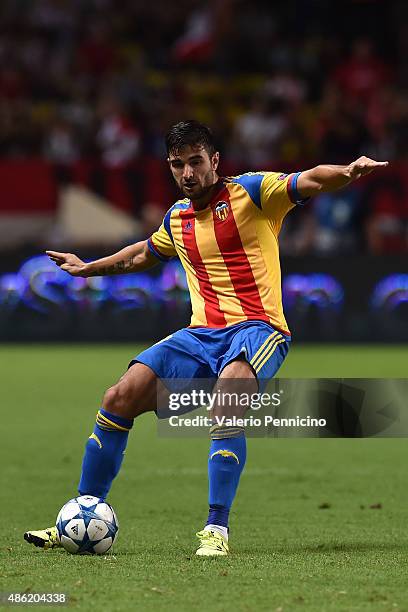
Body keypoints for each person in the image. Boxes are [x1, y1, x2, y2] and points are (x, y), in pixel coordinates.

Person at [24, 120, 388, 556]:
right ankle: (80, 514)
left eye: (196, 162)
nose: (188, 173)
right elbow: (142, 253)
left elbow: (308, 179)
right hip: (200, 335)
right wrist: (88, 268)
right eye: (178, 165)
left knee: (229, 393)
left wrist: (347, 172)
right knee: (119, 396)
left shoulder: (253, 193)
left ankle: (217, 529)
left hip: (258, 328)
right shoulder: (177, 218)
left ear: (214, 161)